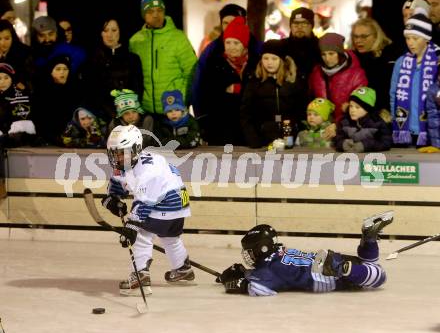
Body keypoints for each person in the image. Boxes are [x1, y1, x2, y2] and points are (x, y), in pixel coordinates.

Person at [101, 125, 195, 296]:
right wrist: (112, 199)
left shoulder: (148, 171)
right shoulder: (130, 162)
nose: (118, 157)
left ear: (136, 148)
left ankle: (140, 275)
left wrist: (131, 228)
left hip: (167, 202)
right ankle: (182, 268)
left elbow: (143, 204)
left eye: (122, 152)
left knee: (142, 235)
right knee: (170, 238)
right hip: (180, 205)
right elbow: (118, 182)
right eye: (114, 152)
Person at [216, 210, 393, 296]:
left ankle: (344, 269)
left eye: (249, 251)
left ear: (260, 249)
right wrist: (245, 272)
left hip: (322, 277)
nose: (248, 256)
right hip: (327, 259)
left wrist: (235, 282)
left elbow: (260, 289)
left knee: (380, 277)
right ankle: (368, 239)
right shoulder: (278, 251)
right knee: (369, 264)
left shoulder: (266, 270)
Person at [129, 0, 197, 114]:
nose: (156, 15)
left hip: (174, 110)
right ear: (143, 15)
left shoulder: (178, 37)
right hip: (145, 111)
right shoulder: (135, 41)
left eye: (159, 10)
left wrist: (183, 99)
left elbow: (192, 72)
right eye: (150, 11)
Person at [192, 3, 262, 120]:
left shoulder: (258, 49)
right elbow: (200, 85)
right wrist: (201, 116)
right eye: (225, 23)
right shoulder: (211, 52)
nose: (230, 26)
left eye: (234, 21)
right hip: (221, 119)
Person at [200, 16, 259, 145]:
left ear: (244, 45)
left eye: (236, 43)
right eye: (228, 42)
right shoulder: (215, 64)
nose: (231, 47)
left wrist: (237, 89)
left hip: (249, 129)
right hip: (222, 129)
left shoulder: (255, 64)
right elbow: (209, 96)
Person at [240, 39, 307, 148]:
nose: (269, 62)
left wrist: (298, 133)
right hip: (261, 139)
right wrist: (252, 139)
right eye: (265, 58)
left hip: (289, 138)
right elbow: (245, 113)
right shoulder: (254, 82)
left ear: (282, 60)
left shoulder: (293, 82)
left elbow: (301, 111)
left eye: (274, 59)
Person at [390, 12, 439, 147]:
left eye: (415, 38)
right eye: (408, 38)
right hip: (405, 130)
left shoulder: (437, 61)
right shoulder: (401, 62)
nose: (410, 43)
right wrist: (395, 119)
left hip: (431, 130)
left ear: (426, 38)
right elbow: (393, 94)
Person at [309, 32, 368, 139]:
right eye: (323, 54)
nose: (327, 58)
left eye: (331, 53)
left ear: (340, 53)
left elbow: (361, 108)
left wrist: (338, 125)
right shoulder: (316, 73)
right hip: (322, 131)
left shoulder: (356, 75)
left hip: (348, 130)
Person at [84, 17, 143, 122]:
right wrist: (111, 113)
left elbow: (138, 88)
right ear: (101, 33)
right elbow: (93, 92)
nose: (109, 34)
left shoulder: (133, 59)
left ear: (120, 31)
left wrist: (129, 111)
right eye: (105, 30)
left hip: (131, 116)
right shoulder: (93, 60)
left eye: (114, 30)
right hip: (103, 118)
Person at [33, 55, 84, 146]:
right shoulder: (42, 93)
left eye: (65, 69)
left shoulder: (76, 89)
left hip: (73, 136)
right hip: (48, 139)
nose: (62, 72)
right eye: (58, 69)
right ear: (50, 72)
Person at [350, 18, 398, 113]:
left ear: (376, 36)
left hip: (383, 113)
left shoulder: (388, 57)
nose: (358, 40)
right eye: (355, 36)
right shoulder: (352, 59)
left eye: (364, 36)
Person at [334, 87, 392, 152]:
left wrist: (366, 145)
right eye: (351, 106)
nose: (352, 110)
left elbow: (386, 142)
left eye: (357, 107)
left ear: (367, 110)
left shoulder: (377, 123)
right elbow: (337, 139)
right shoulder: (344, 122)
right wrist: (343, 144)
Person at [280, 7, 321, 83]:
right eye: (295, 23)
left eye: (304, 23)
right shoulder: (280, 47)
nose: (299, 27)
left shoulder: (321, 47)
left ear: (311, 25)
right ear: (290, 26)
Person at [0, 62, 36, 147]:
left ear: (12, 79)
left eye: (6, 78)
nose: (2, 82)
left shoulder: (22, 96)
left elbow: (23, 129)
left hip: (13, 140)